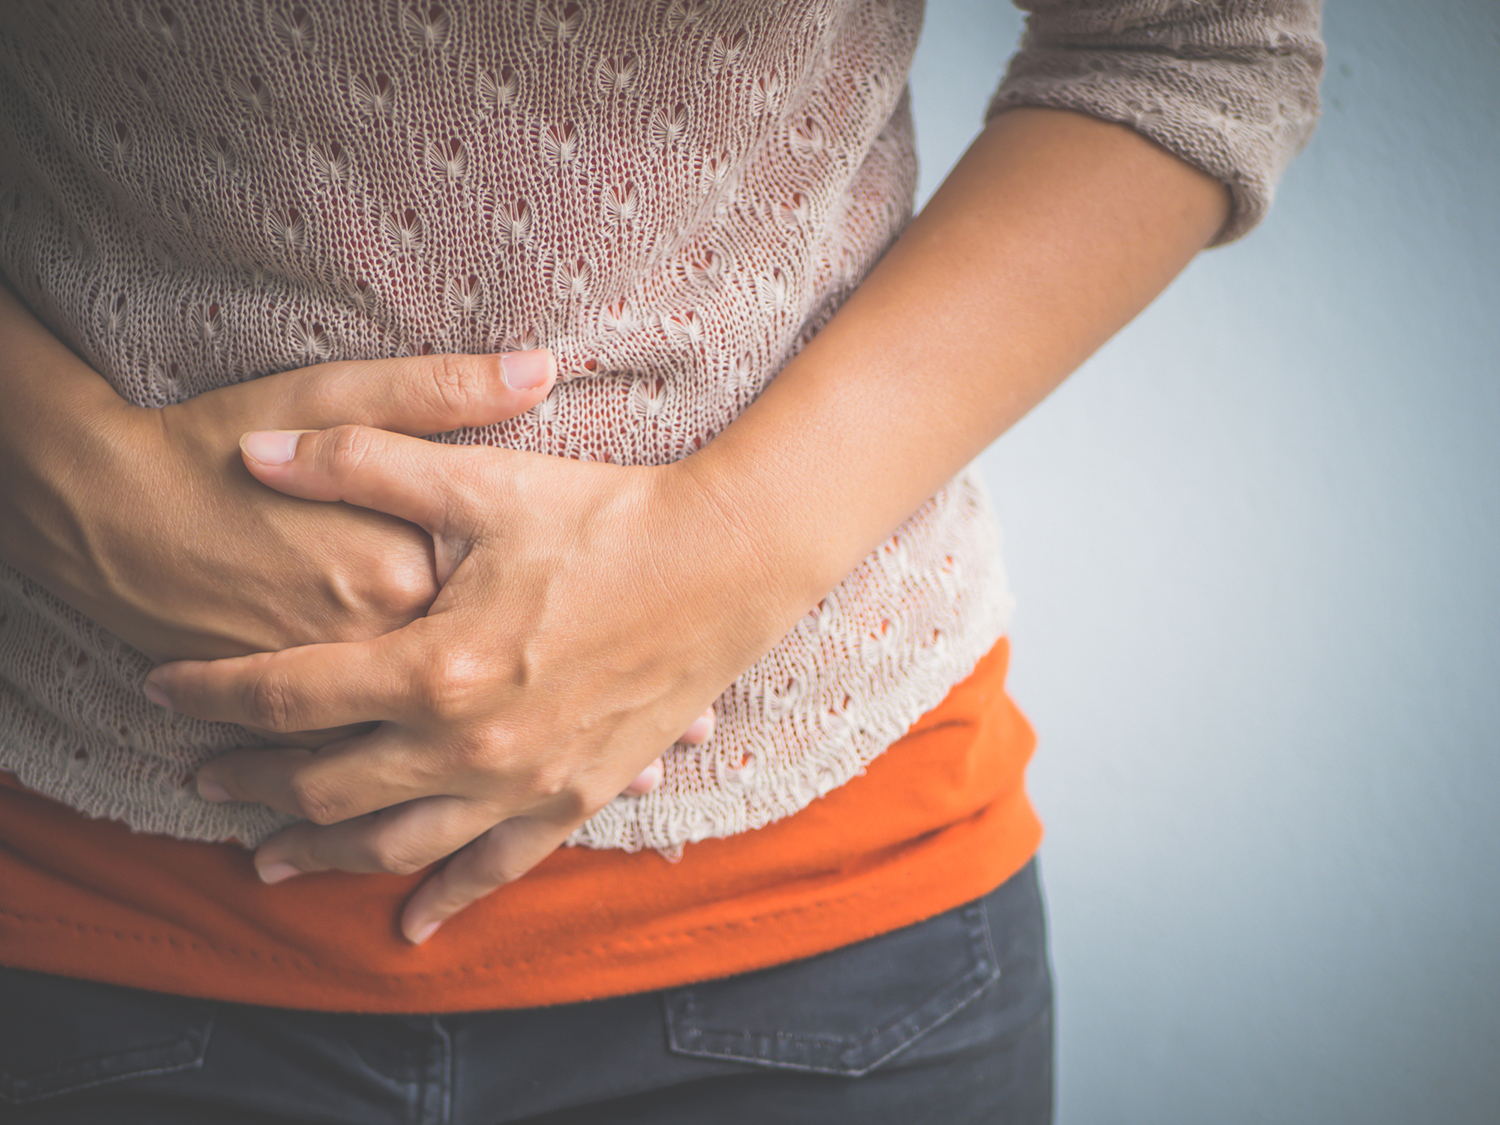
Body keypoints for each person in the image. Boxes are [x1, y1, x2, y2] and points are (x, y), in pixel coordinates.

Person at [0, 1, 1323, 1121]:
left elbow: (1191, 42)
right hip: (68, 912)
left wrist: (734, 545)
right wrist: (63, 481)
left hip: (830, 940)